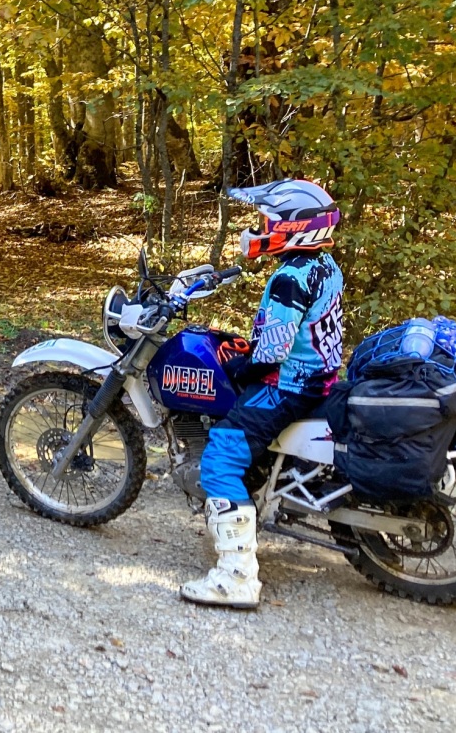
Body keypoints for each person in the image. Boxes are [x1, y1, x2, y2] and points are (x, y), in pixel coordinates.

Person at [180, 179, 344, 609]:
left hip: (290, 386)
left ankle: (236, 578)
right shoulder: (325, 265)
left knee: (220, 454)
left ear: (294, 227)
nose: (260, 227)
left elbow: (272, 352)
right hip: (319, 378)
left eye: (268, 221)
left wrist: (242, 365)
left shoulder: (290, 278)